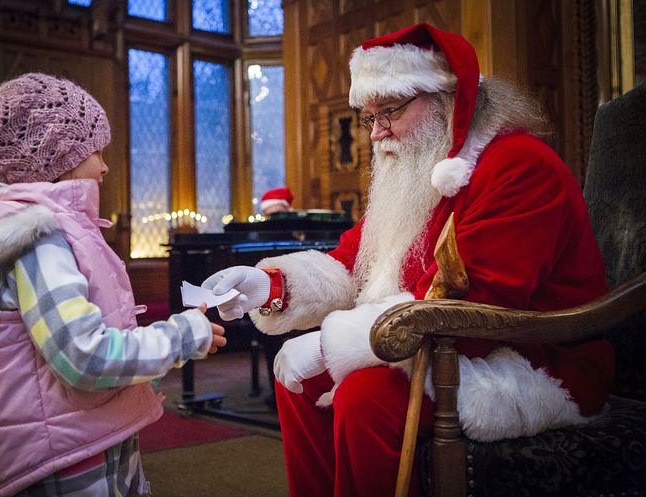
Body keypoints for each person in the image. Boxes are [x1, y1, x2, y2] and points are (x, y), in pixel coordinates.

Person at [202, 23, 614, 497]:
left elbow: (482, 300)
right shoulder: (421, 167)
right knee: (299, 383)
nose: (377, 133)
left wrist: (326, 346)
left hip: (536, 359)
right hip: (442, 339)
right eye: (369, 117)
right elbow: (353, 260)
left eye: (390, 112)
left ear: (446, 100)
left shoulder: (520, 165)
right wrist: (270, 286)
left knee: (364, 397)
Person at [0, 73, 226, 497]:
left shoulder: (54, 232)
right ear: (57, 157)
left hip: (81, 434)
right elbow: (86, 358)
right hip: (61, 456)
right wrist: (183, 335)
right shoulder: (37, 241)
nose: (105, 165)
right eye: (96, 151)